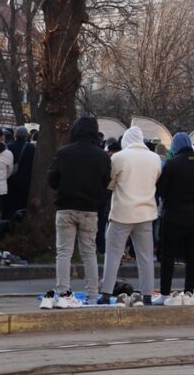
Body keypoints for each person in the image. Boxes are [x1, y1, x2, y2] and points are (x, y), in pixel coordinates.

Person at [44, 117, 111, 309]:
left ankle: (63, 292)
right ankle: (92, 294)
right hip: (90, 209)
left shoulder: (64, 152)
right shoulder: (101, 156)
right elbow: (106, 181)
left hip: (66, 206)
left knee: (64, 253)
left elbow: (52, 179)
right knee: (89, 253)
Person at [98, 126, 161, 305]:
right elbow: (155, 179)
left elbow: (110, 183)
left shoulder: (119, 157)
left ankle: (106, 292)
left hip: (122, 213)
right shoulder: (155, 158)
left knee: (113, 254)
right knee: (146, 256)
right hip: (146, 212)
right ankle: (148, 294)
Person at [154, 133, 194, 305]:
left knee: (168, 256)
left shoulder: (172, 164)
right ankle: (188, 292)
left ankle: (165, 292)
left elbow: (161, 191)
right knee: (192, 256)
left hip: (173, 215)